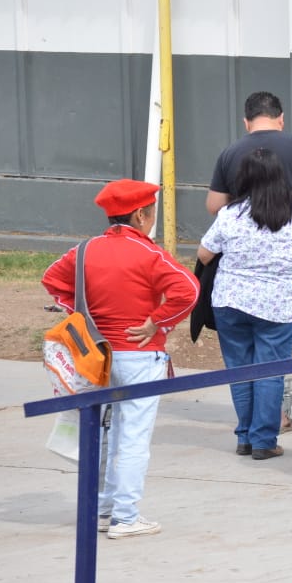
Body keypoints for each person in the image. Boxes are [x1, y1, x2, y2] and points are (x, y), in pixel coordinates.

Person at [42, 179, 200, 539]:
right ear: (141, 213)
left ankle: (101, 510)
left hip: (96, 359)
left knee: (99, 434)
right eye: (152, 212)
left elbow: (52, 279)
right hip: (140, 356)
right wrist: (157, 321)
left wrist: (79, 312)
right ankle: (126, 517)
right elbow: (188, 289)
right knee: (132, 439)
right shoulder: (147, 253)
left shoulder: (84, 250)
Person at [197, 149, 292, 460]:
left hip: (231, 302)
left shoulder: (229, 215)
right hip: (278, 305)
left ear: (242, 178)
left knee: (239, 370)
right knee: (270, 373)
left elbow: (204, 254)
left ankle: (244, 436)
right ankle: (264, 441)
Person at [206, 91, 292, 215]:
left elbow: (214, 206)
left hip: (247, 237)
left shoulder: (229, 153)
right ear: (281, 118)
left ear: (246, 123)